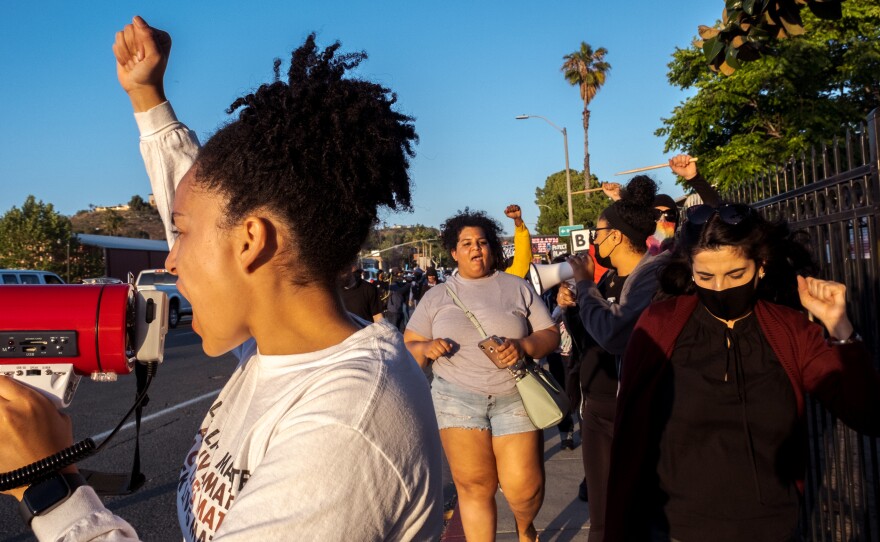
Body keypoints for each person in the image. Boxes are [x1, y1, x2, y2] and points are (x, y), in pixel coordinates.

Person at [0, 16, 443, 541]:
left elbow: (212, 213)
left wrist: (50, 491)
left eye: (180, 236)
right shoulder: (279, 347)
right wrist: (148, 99)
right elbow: (206, 205)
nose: (171, 260)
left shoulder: (347, 426)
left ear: (250, 242)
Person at [604, 203, 880, 541]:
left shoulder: (789, 330)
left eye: (735, 275)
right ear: (690, 270)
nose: (719, 288)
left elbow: (867, 413)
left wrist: (841, 330)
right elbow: (629, 433)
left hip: (772, 529)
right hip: (675, 530)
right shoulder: (660, 325)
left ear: (760, 267)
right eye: (705, 276)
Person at [403, 209, 559, 542]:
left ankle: (525, 528)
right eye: (467, 243)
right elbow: (409, 345)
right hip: (456, 399)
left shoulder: (517, 287)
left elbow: (550, 334)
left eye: (483, 242)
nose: (477, 249)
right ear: (454, 252)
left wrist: (523, 345)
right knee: (475, 486)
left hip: (514, 395)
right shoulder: (436, 297)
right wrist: (426, 347)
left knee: (524, 489)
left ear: (492, 248)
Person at [556, 175, 667, 542]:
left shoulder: (651, 276)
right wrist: (574, 308)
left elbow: (615, 334)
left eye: (598, 233)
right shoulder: (613, 280)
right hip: (598, 408)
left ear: (616, 236)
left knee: (637, 512)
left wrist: (585, 286)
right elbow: (592, 336)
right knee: (603, 517)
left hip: (630, 408)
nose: (595, 241)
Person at [503, 204, 533, 278]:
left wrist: (517, 219)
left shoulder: (510, 276)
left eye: (483, 242)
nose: (475, 247)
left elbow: (522, 237)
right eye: (468, 243)